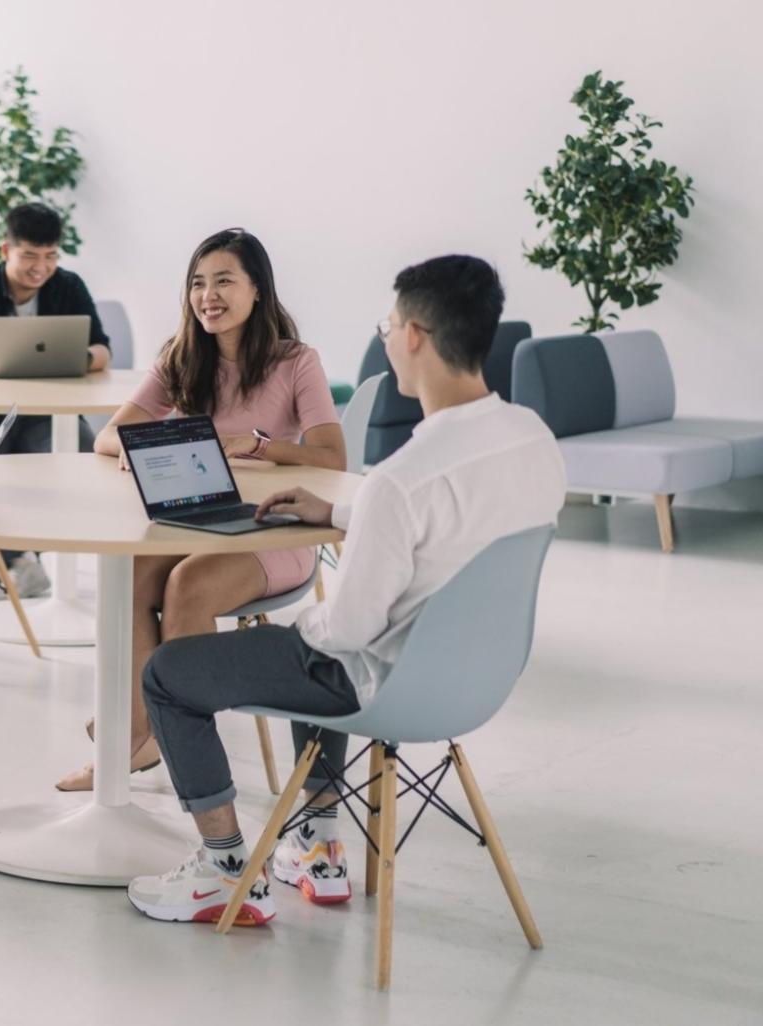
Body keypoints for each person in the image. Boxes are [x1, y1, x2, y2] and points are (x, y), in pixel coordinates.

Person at [126, 255, 566, 925]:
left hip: (382, 684)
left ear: (414, 335)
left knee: (174, 673)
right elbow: (455, 522)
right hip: (476, 679)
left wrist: (299, 627)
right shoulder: (533, 439)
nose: (386, 337)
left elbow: (348, 634)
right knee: (312, 642)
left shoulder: (401, 479)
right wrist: (334, 513)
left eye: (388, 324)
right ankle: (315, 840)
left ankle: (223, 868)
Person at [59, 228, 344, 792]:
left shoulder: (296, 362)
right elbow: (109, 438)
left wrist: (257, 446)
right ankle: (143, 737)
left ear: (257, 290)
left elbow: (332, 457)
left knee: (187, 585)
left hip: (271, 531)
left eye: (223, 281)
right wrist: (155, 449)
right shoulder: (182, 355)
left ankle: (148, 745)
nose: (207, 295)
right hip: (198, 521)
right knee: (137, 574)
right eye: (197, 283)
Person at [0, 201, 112, 599]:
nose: (40, 268)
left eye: (50, 257)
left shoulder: (69, 286)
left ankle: (23, 558)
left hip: (47, 415)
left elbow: (102, 350)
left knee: (81, 453)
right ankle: (16, 560)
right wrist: (0, 353)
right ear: (5, 250)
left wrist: (76, 357)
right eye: (30, 255)